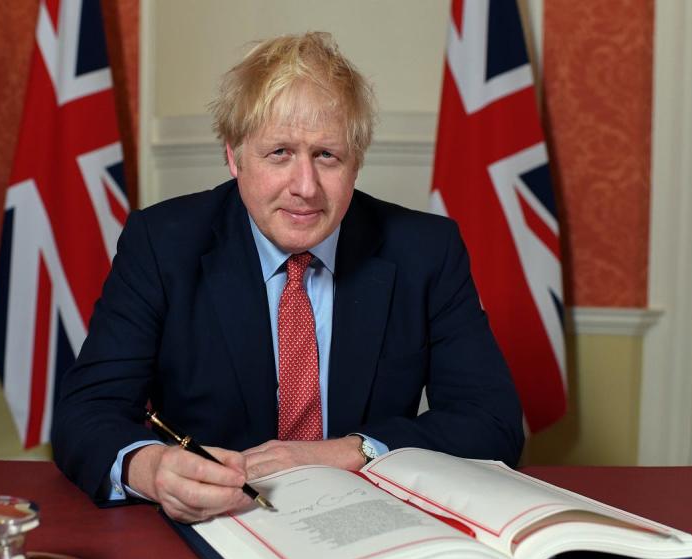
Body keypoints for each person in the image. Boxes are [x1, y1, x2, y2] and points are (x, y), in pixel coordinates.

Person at [51, 32, 523, 523]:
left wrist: (348, 452)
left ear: (356, 161)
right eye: (279, 153)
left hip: (370, 525)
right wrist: (153, 470)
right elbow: (85, 413)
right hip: (217, 526)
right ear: (233, 156)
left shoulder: (425, 250)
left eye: (327, 156)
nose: (305, 188)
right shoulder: (162, 244)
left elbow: (491, 423)